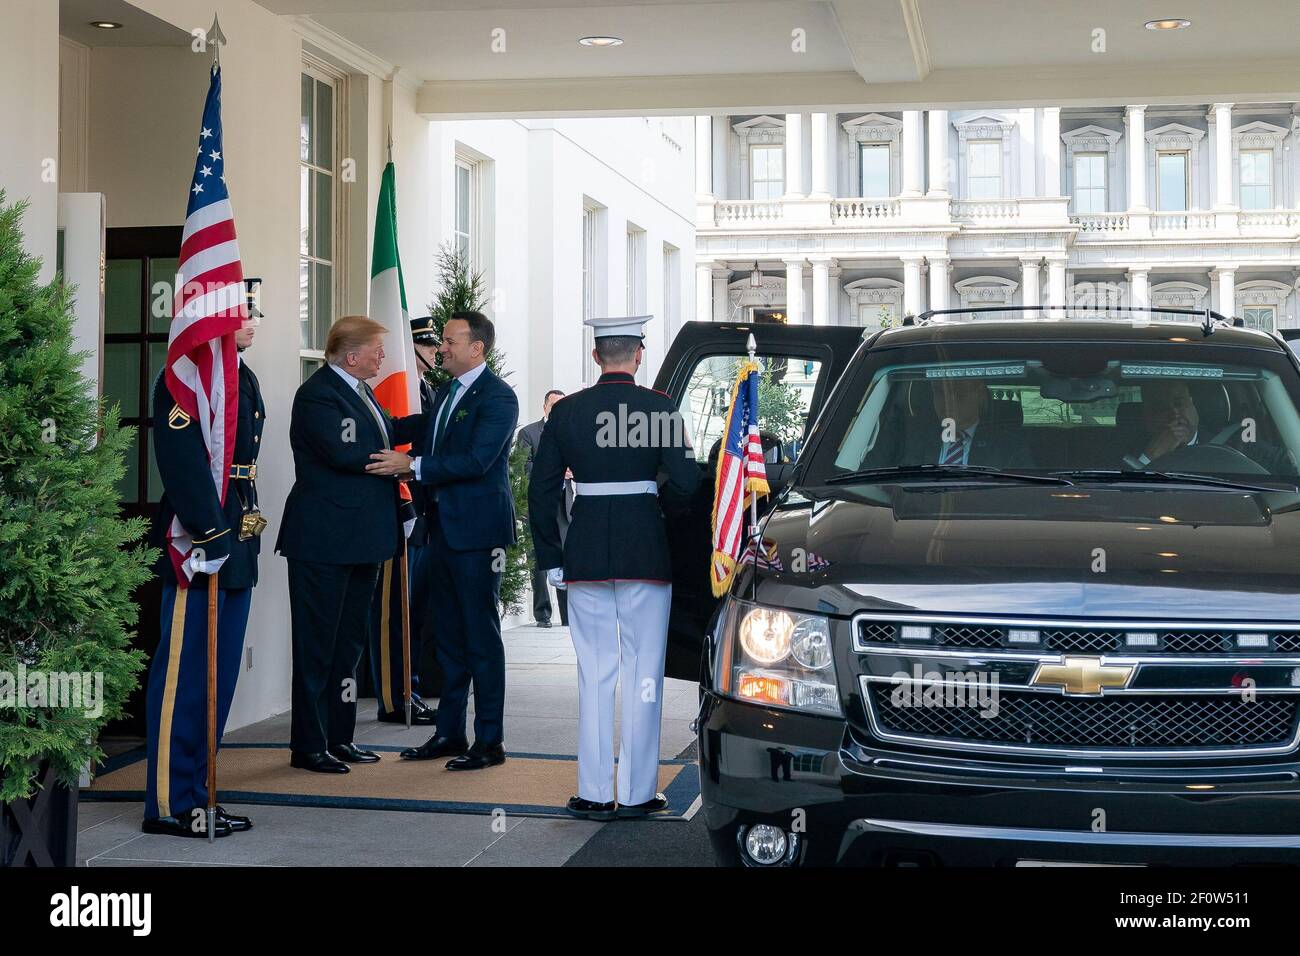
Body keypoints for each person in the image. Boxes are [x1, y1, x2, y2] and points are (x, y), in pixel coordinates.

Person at [528, 315, 700, 820]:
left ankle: (595, 792)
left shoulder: (566, 413)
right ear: (639, 354)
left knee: (595, 673)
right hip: (645, 551)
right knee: (645, 671)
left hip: (584, 555)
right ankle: (639, 792)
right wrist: (655, 504)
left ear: (597, 356)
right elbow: (688, 483)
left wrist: (552, 557)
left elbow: (541, 492)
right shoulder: (660, 408)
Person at [367, 311, 519, 771]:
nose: (442, 347)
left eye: (451, 341)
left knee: (481, 638)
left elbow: (475, 461)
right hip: (442, 531)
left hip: (477, 535)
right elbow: (421, 430)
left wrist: (409, 467)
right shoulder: (450, 392)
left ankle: (489, 741)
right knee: (449, 638)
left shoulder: (498, 397)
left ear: (477, 348)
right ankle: (450, 733)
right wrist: (363, 414)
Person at [142, 278, 265, 839]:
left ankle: (201, 793)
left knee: (217, 678)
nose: (253, 322)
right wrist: (210, 534)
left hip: (236, 533)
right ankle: (170, 802)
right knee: (184, 676)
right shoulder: (183, 378)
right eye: (245, 312)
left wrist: (236, 535)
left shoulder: (245, 378)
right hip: (201, 538)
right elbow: (183, 459)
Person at [276, 315, 402, 774]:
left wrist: (443, 422)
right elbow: (347, 454)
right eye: (376, 349)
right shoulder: (318, 396)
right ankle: (309, 745)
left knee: (348, 645)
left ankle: (340, 736)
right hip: (323, 541)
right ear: (352, 356)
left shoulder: (359, 391)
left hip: (361, 540)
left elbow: (390, 429)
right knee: (317, 646)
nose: (382, 356)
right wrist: (404, 464)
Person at [365, 315, 440, 726]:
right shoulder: (398, 389)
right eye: (426, 347)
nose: (433, 353)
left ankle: (412, 684)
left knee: (414, 607)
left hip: (424, 511)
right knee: (394, 608)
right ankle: (397, 695)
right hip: (402, 508)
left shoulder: (427, 391)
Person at [516, 389, 571, 627]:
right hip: (537, 506)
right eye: (553, 405)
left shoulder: (572, 431)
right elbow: (523, 466)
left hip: (564, 505)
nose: (557, 409)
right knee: (537, 561)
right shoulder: (528, 433)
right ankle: (542, 614)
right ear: (545, 407)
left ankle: (568, 616)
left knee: (565, 558)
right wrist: (554, 471)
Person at [904, 378, 1033, 468]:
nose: (948, 401)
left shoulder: (1008, 447)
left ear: (980, 394)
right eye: (939, 392)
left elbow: (1019, 495)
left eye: (959, 391)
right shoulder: (915, 441)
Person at [1122, 381, 1200, 469]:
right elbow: (1121, 481)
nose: (1174, 413)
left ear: (1193, 404)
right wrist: (1149, 457)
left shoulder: (1216, 442)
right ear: (1146, 413)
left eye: (1179, 403)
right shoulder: (1124, 447)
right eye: (1161, 407)